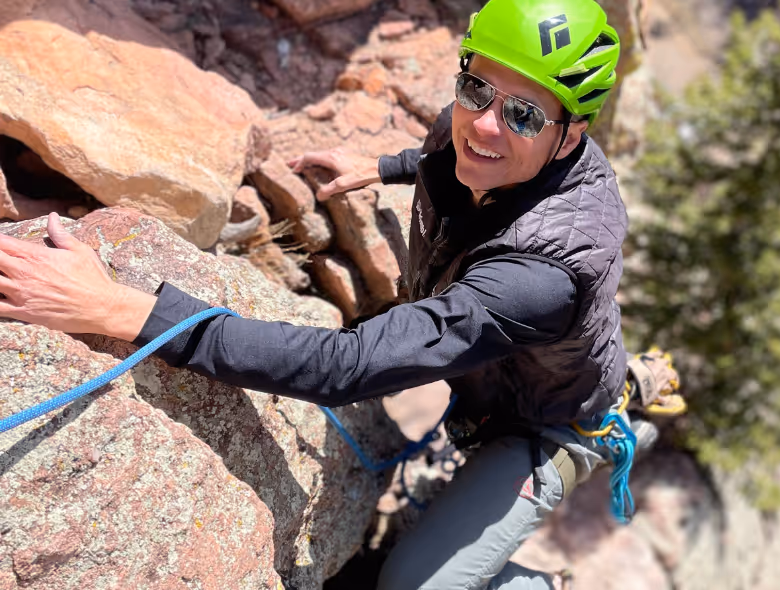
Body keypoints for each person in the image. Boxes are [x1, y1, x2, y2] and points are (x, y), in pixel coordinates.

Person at [0, 0, 683, 588]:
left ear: (573, 136)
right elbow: (458, 163)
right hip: (507, 376)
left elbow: (345, 368)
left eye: (525, 114)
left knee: (410, 582)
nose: (484, 124)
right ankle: (624, 382)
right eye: (476, 88)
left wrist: (126, 310)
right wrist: (381, 167)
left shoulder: (540, 277)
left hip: (547, 426)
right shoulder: (494, 137)